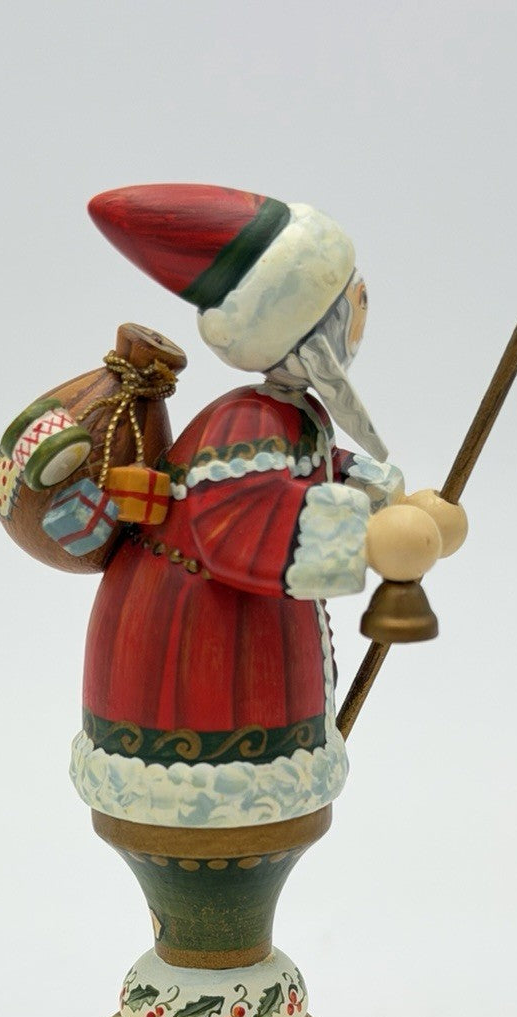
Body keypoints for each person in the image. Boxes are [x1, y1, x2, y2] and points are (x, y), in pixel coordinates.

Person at [68, 184, 466, 829]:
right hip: (194, 680)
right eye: (352, 299)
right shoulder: (245, 422)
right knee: (215, 819)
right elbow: (239, 521)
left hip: (245, 678)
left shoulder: (289, 415)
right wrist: (375, 538)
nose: (363, 308)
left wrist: (389, 498)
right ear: (313, 329)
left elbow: (314, 471)